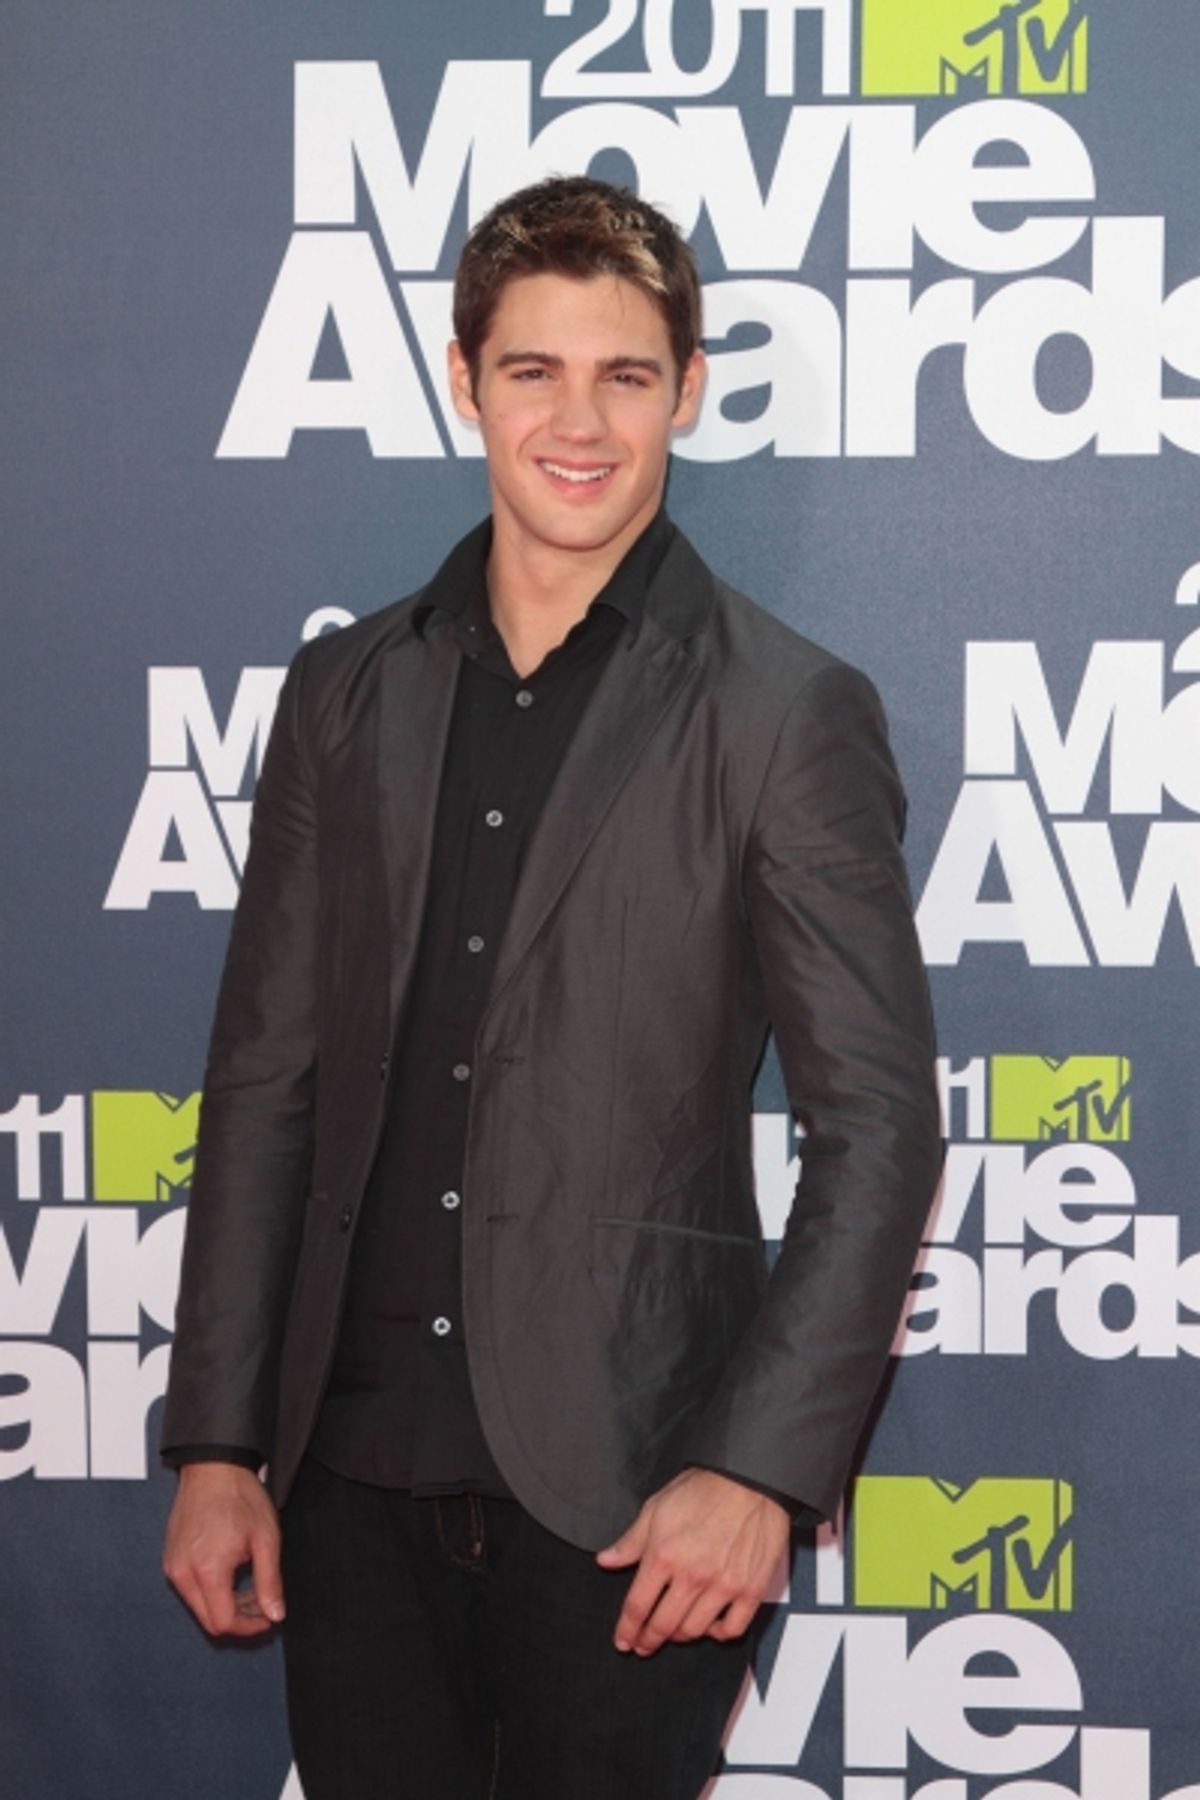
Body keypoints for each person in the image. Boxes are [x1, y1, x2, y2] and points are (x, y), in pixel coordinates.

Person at [161, 174, 940, 1800]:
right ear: (465, 379)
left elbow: (878, 1131)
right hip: (345, 1484)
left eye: (626, 374)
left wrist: (757, 1471)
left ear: (686, 392)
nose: (580, 421)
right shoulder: (345, 689)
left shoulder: (788, 712)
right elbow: (268, 1084)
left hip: (637, 1498)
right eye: (534, 370)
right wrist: (222, 1445)